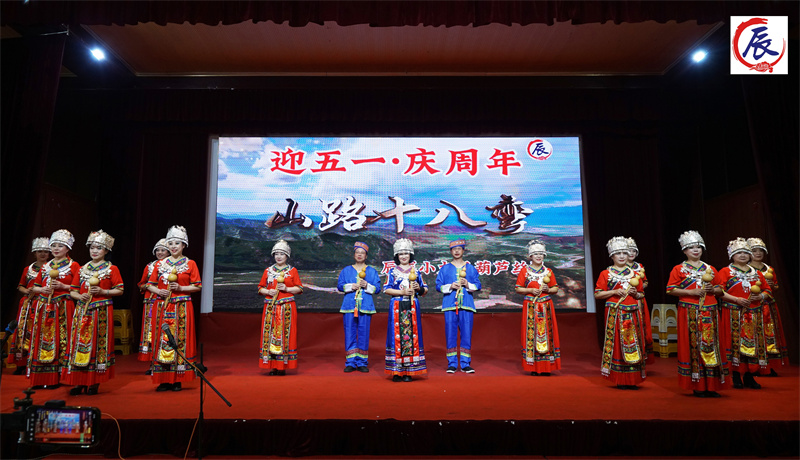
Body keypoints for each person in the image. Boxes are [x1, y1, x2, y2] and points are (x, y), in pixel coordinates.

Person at [666, 230, 729, 397]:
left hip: (710, 311)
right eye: (691, 247)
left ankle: (712, 384)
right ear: (684, 251)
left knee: (711, 345)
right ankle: (698, 384)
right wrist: (691, 292)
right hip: (689, 311)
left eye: (698, 247)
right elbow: (670, 289)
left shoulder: (710, 269)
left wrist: (713, 290)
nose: (695, 250)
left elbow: (721, 289)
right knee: (693, 346)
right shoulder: (678, 269)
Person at [63, 230, 123, 395]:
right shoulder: (82, 269)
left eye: (99, 248)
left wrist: (104, 292)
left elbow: (120, 290)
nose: (94, 251)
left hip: (101, 311)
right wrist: (79, 296)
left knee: (97, 345)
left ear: (106, 250)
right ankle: (79, 381)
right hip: (82, 310)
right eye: (92, 248)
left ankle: (94, 381)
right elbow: (73, 291)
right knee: (79, 344)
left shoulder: (111, 269)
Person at [146, 225, 201, 392]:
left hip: (182, 306)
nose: (173, 246)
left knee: (180, 340)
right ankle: (163, 379)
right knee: (162, 340)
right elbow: (149, 284)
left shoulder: (190, 264)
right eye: (170, 243)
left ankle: (178, 379)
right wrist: (158, 291)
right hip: (162, 305)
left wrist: (181, 288)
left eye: (177, 243)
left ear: (184, 245)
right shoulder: (160, 264)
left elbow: (197, 286)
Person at [27, 229, 81, 389]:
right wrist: (42, 289)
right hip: (45, 307)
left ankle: (56, 377)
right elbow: (34, 287)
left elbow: (80, 288)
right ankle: (40, 377)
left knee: (61, 341)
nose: (56, 249)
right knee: (42, 341)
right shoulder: (45, 266)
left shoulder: (74, 265)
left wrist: (64, 286)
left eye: (60, 246)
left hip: (63, 307)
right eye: (53, 245)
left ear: (68, 248)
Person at [717, 237, 773, 390]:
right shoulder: (725, 272)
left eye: (746, 252)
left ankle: (749, 375)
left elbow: (768, 290)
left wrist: (760, 296)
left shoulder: (756, 273)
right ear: (732, 255)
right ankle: (735, 375)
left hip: (754, 314)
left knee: (752, 344)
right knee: (735, 344)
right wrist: (736, 299)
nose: (743, 255)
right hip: (733, 313)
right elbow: (719, 291)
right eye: (739, 252)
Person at [594, 236, 646, 389]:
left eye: (624, 253)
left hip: (632, 312)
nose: (622, 256)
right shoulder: (606, 274)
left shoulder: (634, 274)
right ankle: (620, 378)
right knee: (617, 344)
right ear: (612, 256)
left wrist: (636, 294)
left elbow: (641, 294)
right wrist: (614, 291)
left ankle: (633, 377)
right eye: (618, 253)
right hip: (615, 313)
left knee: (633, 343)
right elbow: (598, 294)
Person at [384, 238, 427, 382]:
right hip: (397, 306)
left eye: (406, 253)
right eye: (401, 254)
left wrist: (418, 288)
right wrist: (402, 292)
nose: (403, 256)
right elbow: (386, 289)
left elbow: (425, 290)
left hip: (412, 306)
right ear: (397, 256)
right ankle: (396, 371)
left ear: (410, 255)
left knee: (411, 337)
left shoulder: (417, 272)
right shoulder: (392, 272)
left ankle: (408, 371)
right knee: (396, 337)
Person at [435, 239, 481, 373]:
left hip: (467, 305)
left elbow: (478, 285)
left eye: (459, 249)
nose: (456, 251)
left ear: (463, 250)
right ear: (450, 251)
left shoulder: (471, 268)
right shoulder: (445, 269)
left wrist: (467, 284)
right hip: (450, 305)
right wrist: (450, 286)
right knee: (450, 334)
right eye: (454, 249)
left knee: (466, 334)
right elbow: (438, 286)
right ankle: (452, 363)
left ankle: (465, 363)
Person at [514, 239, 560, 375]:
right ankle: (533, 367)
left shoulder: (548, 271)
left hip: (546, 306)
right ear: (530, 256)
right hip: (530, 306)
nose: (538, 256)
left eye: (541, 254)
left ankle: (546, 367)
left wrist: (548, 290)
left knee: (547, 334)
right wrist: (530, 290)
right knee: (532, 335)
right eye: (535, 254)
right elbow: (518, 288)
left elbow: (555, 288)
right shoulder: (525, 271)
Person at [257, 240, 303, 375]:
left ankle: (282, 366)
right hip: (270, 308)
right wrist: (268, 291)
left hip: (286, 307)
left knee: (285, 335)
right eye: (276, 254)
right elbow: (260, 288)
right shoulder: (268, 271)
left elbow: (299, 288)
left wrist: (287, 288)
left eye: (282, 254)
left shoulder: (292, 271)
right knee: (270, 335)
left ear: (287, 256)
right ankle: (272, 366)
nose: (279, 256)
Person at [7, 237, 51, 375]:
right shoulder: (28, 269)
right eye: (39, 251)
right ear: (34, 253)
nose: (42, 254)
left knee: (40, 331)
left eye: (45, 251)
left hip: (43, 303)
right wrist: (26, 291)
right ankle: (21, 363)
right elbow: (20, 285)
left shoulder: (51, 268)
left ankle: (38, 362)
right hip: (28, 304)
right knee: (23, 331)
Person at [337, 241, 380, 373]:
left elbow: (377, 289)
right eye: (357, 253)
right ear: (354, 255)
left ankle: (362, 362)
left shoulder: (372, 271)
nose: (360, 255)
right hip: (349, 306)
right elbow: (340, 286)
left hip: (365, 306)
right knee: (349, 333)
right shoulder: (346, 270)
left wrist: (367, 286)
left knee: (363, 334)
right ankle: (350, 362)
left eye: (362, 253)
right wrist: (351, 286)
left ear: (366, 256)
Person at [747, 237, 788, 375]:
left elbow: (775, 287)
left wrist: (772, 286)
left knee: (770, 335)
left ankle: (769, 366)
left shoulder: (769, 269)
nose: (758, 253)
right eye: (754, 251)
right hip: (753, 306)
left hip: (769, 306)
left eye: (761, 251)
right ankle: (754, 366)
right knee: (754, 334)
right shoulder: (747, 269)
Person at [137, 238, 169, 369]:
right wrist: (150, 286)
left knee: (164, 329)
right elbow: (141, 283)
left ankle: (164, 359)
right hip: (150, 301)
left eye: (163, 250)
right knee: (150, 331)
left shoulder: (172, 266)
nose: (160, 252)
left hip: (166, 301)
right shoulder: (149, 266)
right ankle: (152, 362)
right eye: (157, 250)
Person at [626, 237, 654, 364]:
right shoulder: (619, 268)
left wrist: (640, 286)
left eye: (634, 251)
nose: (631, 253)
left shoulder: (639, 266)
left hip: (639, 300)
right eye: (628, 251)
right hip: (626, 299)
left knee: (642, 326)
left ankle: (642, 354)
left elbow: (646, 282)